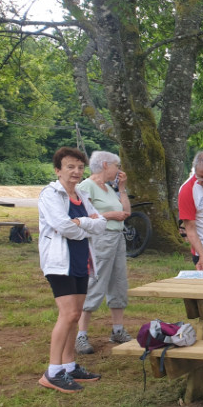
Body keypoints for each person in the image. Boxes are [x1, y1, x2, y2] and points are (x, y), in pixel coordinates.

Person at [37, 147, 107, 392]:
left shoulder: (82, 195)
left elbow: (101, 224)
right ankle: (53, 372)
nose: (76, 171)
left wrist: (82, 222)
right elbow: (63, 226)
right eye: (70, 167)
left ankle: (68, 365)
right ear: (58, 170)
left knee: (75, 315)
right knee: (67, 315)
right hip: (59, 262)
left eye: (79, 167)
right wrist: (86, 227)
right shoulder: (50, 194)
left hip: (81, 260)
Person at [74, 151, 132, 354]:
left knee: (118, 282)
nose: (119, 170)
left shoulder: (108, 188)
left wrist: (122, 189)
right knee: (95, 282)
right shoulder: (86, 186)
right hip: (100, 238)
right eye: (117, 165)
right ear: (106, 165)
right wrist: (109, 215)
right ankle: (81, 335)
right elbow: (82, 216)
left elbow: (126, 212)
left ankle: (117, 330)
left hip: (117, 237)